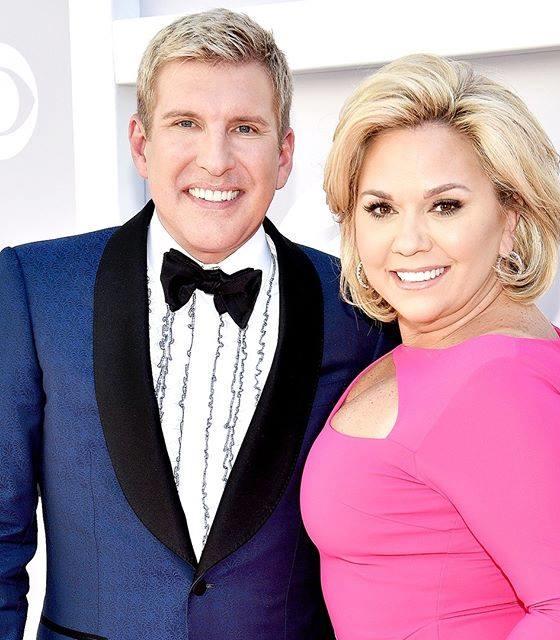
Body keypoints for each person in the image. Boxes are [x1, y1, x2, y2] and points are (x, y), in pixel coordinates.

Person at [0, 9, 396, 640]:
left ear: (285, 152)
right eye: (186, 123)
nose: (216, 160)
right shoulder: (33, 288)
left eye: (245, 128)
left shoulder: (362, 306)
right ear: (140, 143)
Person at [301, 54, 560, 639]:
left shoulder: (497, 383)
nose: (409, 241)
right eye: (380, 209)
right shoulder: (439, 350)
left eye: (445, 205)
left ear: (510, 217)